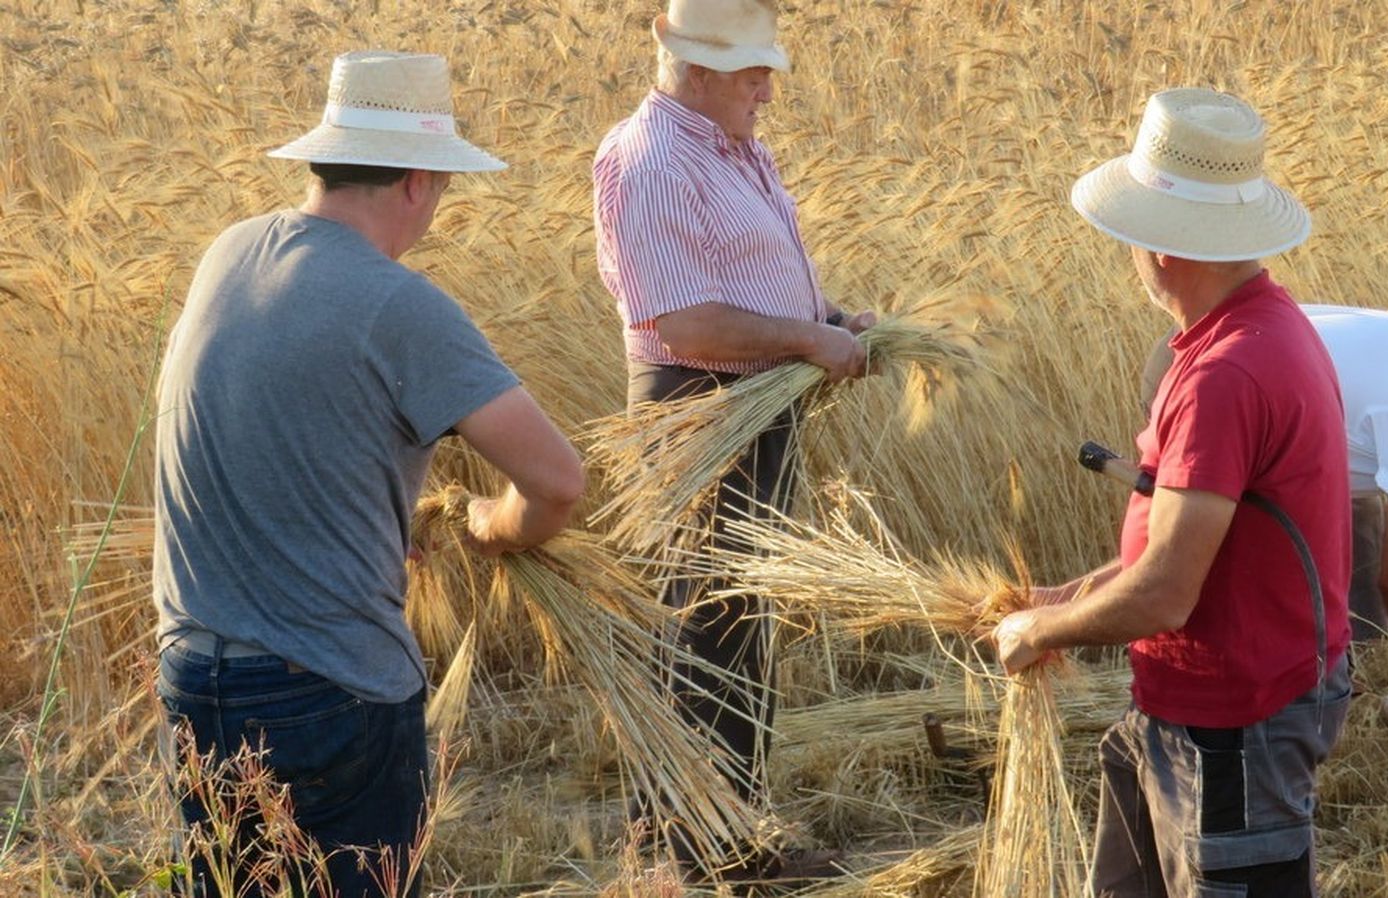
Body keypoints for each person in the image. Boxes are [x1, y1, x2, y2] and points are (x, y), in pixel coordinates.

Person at [153, 51, 585, 898]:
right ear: (419, 181)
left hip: (192, 678)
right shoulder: (399, 305)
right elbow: (556, 481)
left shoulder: (230, 253)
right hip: (327, 693)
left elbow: (267, 433)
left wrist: (368, 527)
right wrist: (492, 528)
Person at [991, 88, 1352, 897]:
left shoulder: (1227, 374)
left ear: (1159, 248)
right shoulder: (1260, 331)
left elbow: (1165, 592)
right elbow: (1192, 547)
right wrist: (1071, 596)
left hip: (1233, 727)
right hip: (1201, 705)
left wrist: (1041, 629)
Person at [592, 0, 873, 884]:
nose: (768, 90)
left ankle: (712, 835)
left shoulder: (732, 147)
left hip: (750, 405)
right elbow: (683, 322)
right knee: (704, 625)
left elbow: (746, 280)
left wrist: (828, 322)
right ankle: (706, 854)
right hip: (697, 412)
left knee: (739, 619)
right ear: (699, 69)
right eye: (755, 74)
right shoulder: (651, 161)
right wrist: (806, 340)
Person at [1140, 305, 1388, 699]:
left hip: (1209, 346)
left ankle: (1351, 676)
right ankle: (1273, 689)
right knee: (1281, 538)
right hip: (1195, 376)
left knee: (1355, 515)